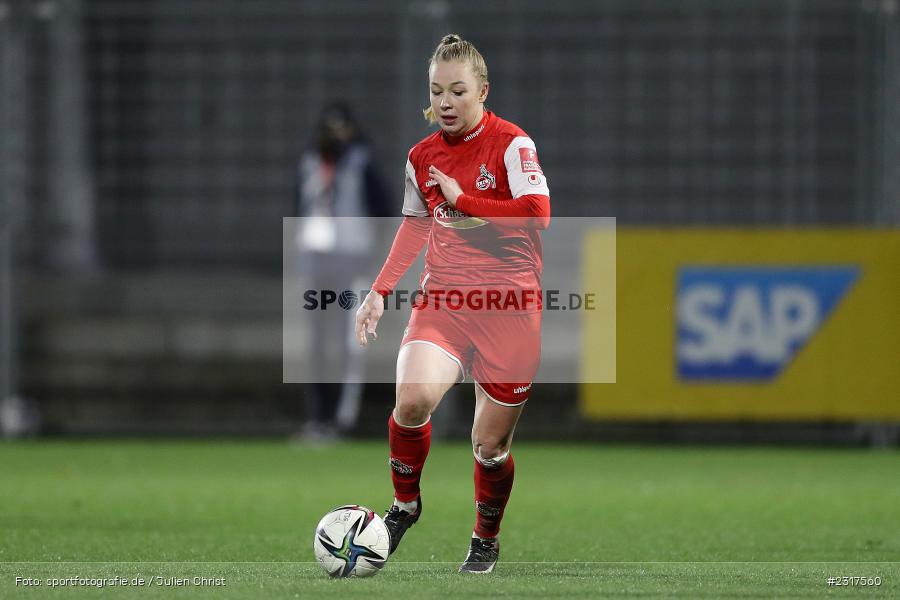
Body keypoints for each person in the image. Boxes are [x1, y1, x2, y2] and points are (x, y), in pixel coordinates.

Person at [354, 34, 551, 573]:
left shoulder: (512, 145)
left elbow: (537, 212)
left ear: (482, 92)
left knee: (489, 447)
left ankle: (485, 537)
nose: (445, 102)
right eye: (436, 90)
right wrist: (378, 292)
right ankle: (404, 506)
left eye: (457, 91)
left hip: (510, 307)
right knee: (412, 399)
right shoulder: (421, 157)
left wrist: (464, 200)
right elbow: (416, 227)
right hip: (444, 297)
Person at [295, 102, 390, 442]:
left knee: (350, 344)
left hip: (352, 266)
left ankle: (343, 418)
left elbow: (383, 211)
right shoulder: (310, 163)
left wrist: (371, 259)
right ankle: (318, 417)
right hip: (318, 265)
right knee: (318, 344)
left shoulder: (361, 164)